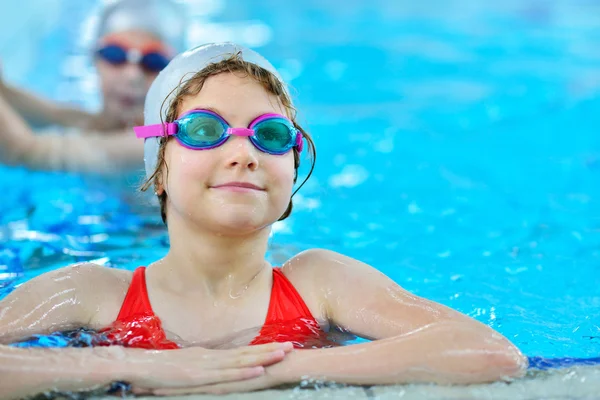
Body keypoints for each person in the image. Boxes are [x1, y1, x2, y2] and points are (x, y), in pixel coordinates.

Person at [0, 42, 528, 398]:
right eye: (205, 130)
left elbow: (489, 352)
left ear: (292, 165)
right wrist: (137, 366)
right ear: (158, 169)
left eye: (270, 135)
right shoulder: (91, 291)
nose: (244, 154)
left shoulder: (320, 282)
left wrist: (276, 368)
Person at [0, 0, 185, 174]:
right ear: (95, 59)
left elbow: (23, 153)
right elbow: (54, 114)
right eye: (115, 55)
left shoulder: (154, 137)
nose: (132, 75)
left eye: (153, 62)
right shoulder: (107, 124)